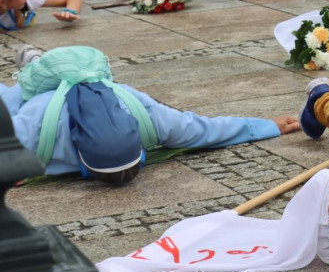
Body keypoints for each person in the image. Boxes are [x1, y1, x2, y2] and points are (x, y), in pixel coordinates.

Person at [4, 46, 299, 184]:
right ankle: (37, 64)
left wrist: (265, 126)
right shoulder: (38, 120)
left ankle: (38, 60)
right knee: (13, 94)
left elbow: (202, 130)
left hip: (91, 74)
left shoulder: (137, 109)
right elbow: (200, 131)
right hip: (43, 96)